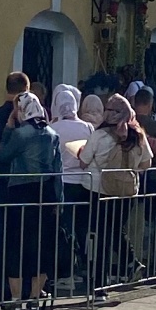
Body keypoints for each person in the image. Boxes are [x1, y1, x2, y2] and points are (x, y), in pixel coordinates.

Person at [0, 91, 60, 309]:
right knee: (41, 244)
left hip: (21, 190)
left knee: (16, 243)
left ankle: (16, 298)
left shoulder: (21, 134)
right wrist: (57, 200)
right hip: (46, 192)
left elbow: (3, 155)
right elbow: (57, 169)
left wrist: (8, 128)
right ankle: (34, 295)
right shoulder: (52, 133)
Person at [84, 92, 152, 284]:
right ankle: (130, 264)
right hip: (128, 190)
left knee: (103, 235)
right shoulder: (138, 135)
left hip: (100, 189)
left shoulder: (99, 135)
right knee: (115, 230)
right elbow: (147, 163)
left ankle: (100, 282)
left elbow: (84, 160)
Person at [49, 83, 95, 290]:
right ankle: (81, 268)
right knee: (82, 228)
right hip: (84, 182)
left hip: (63, 183)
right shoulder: (87, 127)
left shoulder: (54, 128)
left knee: (65, 229)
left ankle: (66, 271)